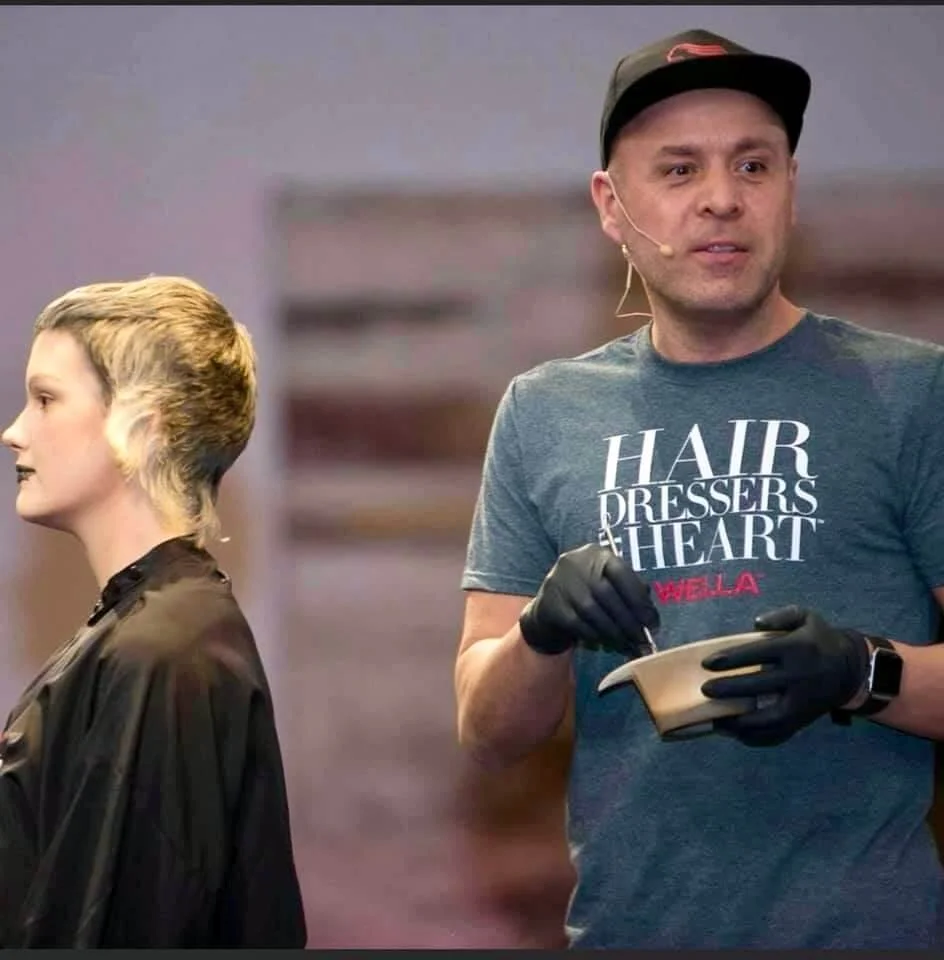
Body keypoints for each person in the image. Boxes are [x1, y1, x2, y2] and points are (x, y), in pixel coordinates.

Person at [455, 27, 944, 949]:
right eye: (679, 170)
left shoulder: (916, 394)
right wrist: (540, 631)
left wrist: (861, 671)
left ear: (790, 187)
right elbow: (487, 732)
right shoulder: (542, 412)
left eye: (753, 165)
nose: (722, 198)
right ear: (611, 205)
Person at [0, 275, 307, 947]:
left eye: (46, 399)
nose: (13, 432)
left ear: (142, 425)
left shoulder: (163, 653)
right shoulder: (153, 636)